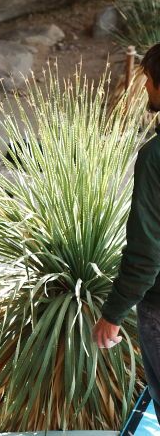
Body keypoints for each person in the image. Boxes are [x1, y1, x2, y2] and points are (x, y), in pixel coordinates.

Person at [94, 43, 160, 404]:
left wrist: (113, 314)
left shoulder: (154, 157)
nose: (146, 87)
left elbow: (146, 252)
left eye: (149, 79)